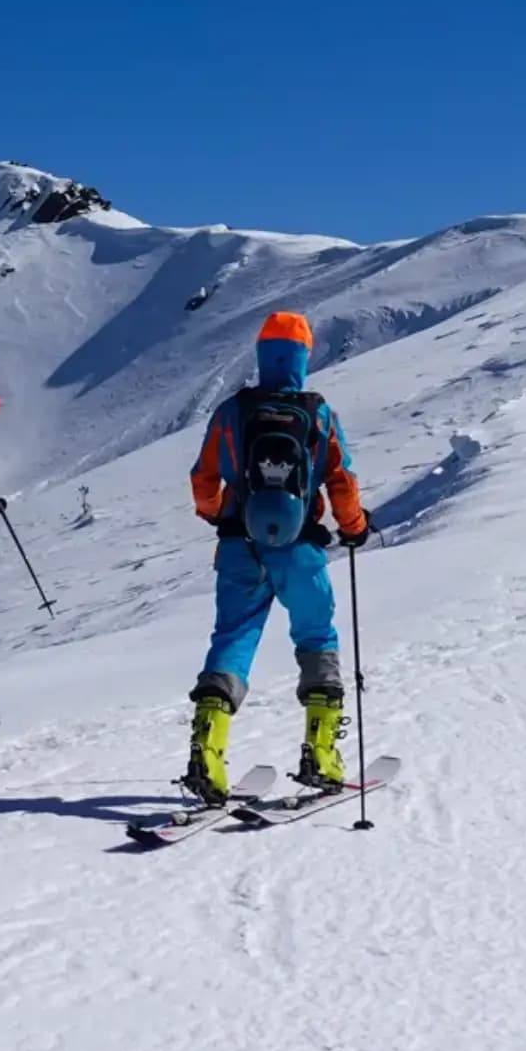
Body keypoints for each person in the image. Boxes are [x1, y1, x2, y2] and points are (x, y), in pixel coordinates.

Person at [182, 311, 369, 801]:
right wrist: (354, 527)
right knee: (316, 639)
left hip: (240, 548)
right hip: (300, 549)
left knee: (233, 640)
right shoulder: (318, 412)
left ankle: (208, 746)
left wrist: (219, 515)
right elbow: (341, 480)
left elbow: (203, 479)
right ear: (303, 357)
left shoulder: (232, 411)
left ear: (263, 355)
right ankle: (322, 754)